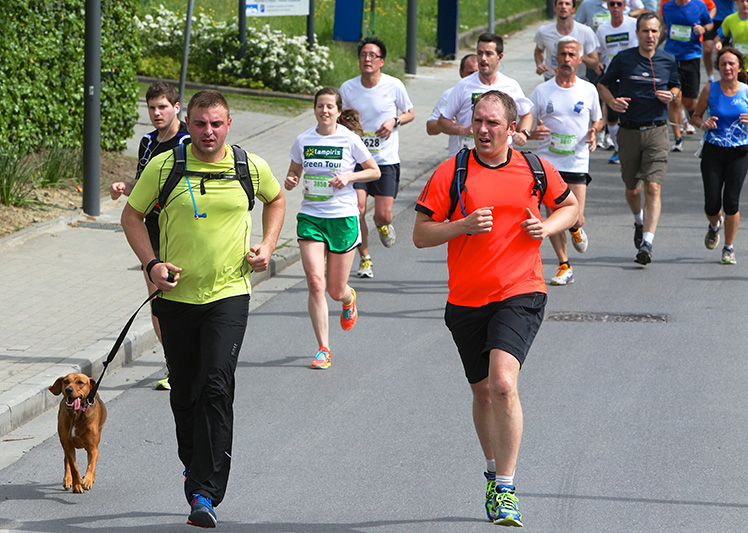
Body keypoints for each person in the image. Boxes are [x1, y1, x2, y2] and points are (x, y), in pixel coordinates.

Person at [120, 90, 286, 528]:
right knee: (186, 393)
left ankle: (205, 492)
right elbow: (131, 217)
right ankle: (194, 468)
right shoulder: (165, 166)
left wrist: (268, 246)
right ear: (188, 123)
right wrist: (152, 264)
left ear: (229, 124)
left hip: (229, 295)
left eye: (216, 123)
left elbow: (276, 199)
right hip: (176, 299)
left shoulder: (249, 166)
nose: (208, 132)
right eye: (200, 124)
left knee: (216, 385)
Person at [413, 91, 579, 526]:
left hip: (521, 290)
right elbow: (421, 234)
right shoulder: (452, 171)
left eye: (492, 123)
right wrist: (461, 226)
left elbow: (570, 207)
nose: (483, 130)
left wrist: (546, 226)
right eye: (478, 121)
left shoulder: (535, 167)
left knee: (503, 383)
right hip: (466, 299)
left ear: (511, 128)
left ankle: (505, 487)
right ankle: (492, 473)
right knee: (483, 392)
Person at [284, 88, 380, 369]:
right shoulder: (303, 140)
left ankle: (349, 299)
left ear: (338, 111)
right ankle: (323, 349)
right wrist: (291, 180)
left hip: (342, 218)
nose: (324, 111)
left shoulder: (349, 139)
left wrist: (349, 176)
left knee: (335, 290)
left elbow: (374, 170)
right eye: (320, 106)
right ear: (314, 109)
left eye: (329, 107)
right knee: (316, 283)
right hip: (311, 217)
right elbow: (294, 172)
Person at [110, 81, 190, 391]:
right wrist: (125, 188)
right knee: (157, 300)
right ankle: (175, 364)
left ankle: (192, 358)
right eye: (152, 108)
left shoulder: (188, 140)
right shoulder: (147, 142)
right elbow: (142, 185)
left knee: (183, 298)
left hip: (182, 229)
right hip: (151, 228)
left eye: (163, 107)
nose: (157, 113)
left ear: (176, 108)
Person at [598, 12, 681, 265]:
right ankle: (638, 221)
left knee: (653, 186)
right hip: (629, 131)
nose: (650, 36)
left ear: (660, 33)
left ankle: (647, 243)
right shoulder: (624, 59)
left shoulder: (668, 59)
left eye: (654, 31)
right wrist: (613, 101)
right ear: (637, 33)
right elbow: (602, 85)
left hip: (657, 130)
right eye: (645, 31)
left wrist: (672, 95)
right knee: (632, 188)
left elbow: (676, 86)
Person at [528, 37, 603, 285]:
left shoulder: (588, 89)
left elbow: (598, 119)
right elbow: (527, 117)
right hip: (548, 162)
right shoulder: (542, 90)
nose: (567, 59)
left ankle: (576, 228)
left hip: (577, 160)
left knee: (575, 216)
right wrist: (531, 132)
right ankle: (564, 265)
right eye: (562, 54)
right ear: (556, 58)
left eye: (571, 55)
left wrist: (594, 130)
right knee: (553, 214)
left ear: (580, 60)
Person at [339, 37, 414, 279]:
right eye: (363, 55)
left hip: (385, 159)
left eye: (373, 55)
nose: (367, 59)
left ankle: (382, 225)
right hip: (357, 161)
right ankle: (365, 258)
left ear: (381, 61)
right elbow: (339, 118)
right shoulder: (348, 88)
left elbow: (410, 113)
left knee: (383, 214)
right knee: (357, 209)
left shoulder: (394, 85)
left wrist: (394, 121)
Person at [691, 47, 748, 264]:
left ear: (739, 67)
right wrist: (703, 124)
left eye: (731, 63)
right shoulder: (710, 89)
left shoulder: (746, 91)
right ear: (718, 67)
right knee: (712, 204)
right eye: (723, 64)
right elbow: (696, 116)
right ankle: (715, 225)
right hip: (713, 152)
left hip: (739, 152)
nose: (727, 67)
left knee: (731, 202)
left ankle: (728, 247)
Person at [438, 32, 534, 157]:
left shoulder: (511, 85)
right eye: (480, 53)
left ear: (500, 57)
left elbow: (527, 114)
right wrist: (464, 130)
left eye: (488, 54)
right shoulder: (464, 85)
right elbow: (442, 122)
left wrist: (524, 133)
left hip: (501, 158)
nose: (483, 58)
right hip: (469, 156)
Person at [660, 0, 713, 151]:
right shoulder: (667, 6)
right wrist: (655, 46)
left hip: (691, 57)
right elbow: (665, 28)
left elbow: (709, 24)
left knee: (690, 102)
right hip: (671, 57)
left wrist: (703, 29)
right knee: (674, 98)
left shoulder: (699, 5)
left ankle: (697, 120)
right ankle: (678, 138)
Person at [595, 0, 639, 163]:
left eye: (619, 4)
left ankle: (634, 148)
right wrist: (597, 64)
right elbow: (598, 52)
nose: (615, 7)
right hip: (612, 75)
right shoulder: (603, 29)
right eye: (612, 3)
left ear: (624, 6)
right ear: (607, 6)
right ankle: (618, 149)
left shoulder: (633, 24)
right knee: (612, 116)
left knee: (631, 114)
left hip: (632, 75)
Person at [534, 0, 600, 82]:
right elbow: (538, 51)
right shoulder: (544, 31)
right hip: (551, 79)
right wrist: (539, 64)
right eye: (560, 3)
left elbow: (594, 63)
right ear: (555, 8)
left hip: (577, 81)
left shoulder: (585, 32)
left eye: (567, 4)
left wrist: (578, 55)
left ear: (573, 9)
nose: (563, 6)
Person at [426, 53, 479, 155]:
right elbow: (430, 128)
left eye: (477, 72)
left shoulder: (492, 94)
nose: (474, 77)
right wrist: (445, 123)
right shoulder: (450, 94)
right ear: (461, 73)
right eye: (470, 73)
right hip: (458, 156)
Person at [703, 0, 735, 81]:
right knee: (707, 50)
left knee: (725, 51)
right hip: (710, 17)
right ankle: (710, 78)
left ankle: (723, 76)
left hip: (726, 17)